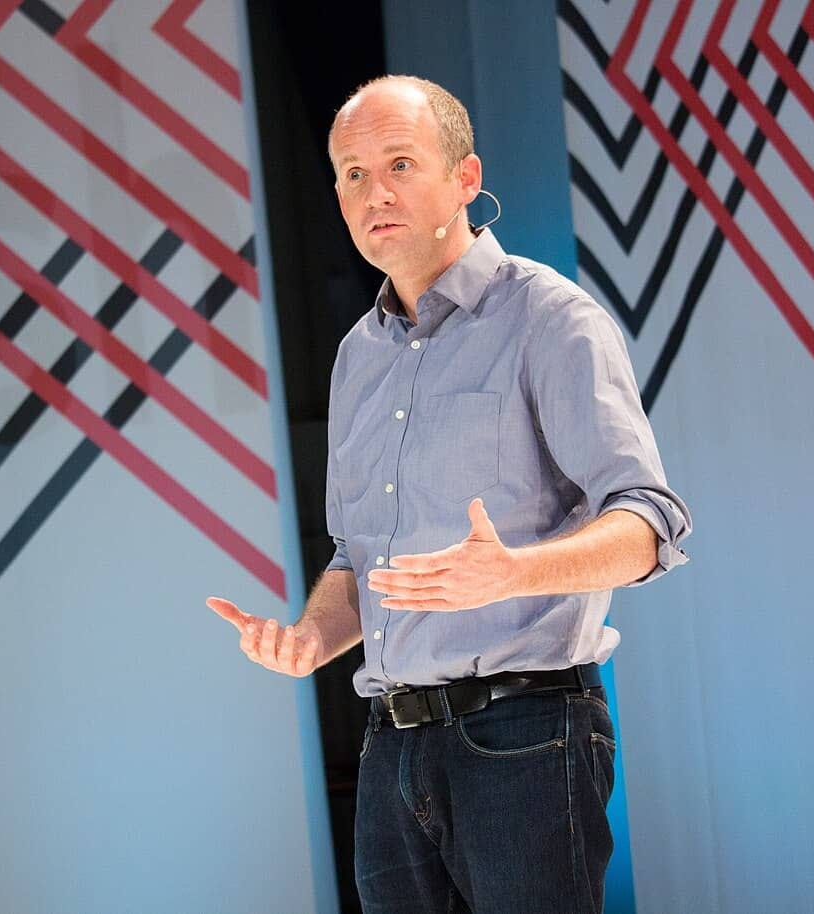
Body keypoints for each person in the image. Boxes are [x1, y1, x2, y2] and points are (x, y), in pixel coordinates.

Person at [208, 74, 691, 914]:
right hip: (392, 747)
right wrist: (312, 637)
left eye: (399, 163)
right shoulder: (359, 355)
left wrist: (515, 573)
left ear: (466, 178)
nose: (374, 192)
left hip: (524, 735)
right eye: (353, 175)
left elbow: (651, 523)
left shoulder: (551, 318)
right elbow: (359, 556)